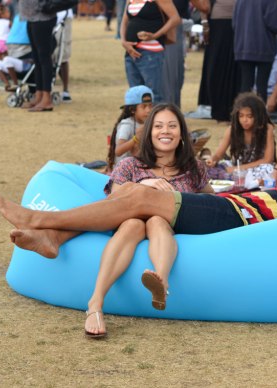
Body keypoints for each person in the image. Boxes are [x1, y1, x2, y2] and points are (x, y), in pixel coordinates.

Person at [0, 133, 277, 273]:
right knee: (134, 196)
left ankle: (41, 220)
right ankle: (55, 238)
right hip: (235, 206)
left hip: (238, 217)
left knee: (141, 194)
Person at [84, 104, 213, 338]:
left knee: (156, 221)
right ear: (149, 132)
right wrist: (142, 186)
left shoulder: (194, 169)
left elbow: (210, 200)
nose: (166, 131)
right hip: (129, 225)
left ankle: (160, 282)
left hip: (167, 227)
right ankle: (95, 304)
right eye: (159, 126)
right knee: (133, 225)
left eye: (172, 126)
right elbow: (111, 200)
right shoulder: (130, 165)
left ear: (182, 133)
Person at [121, 0, 181, 103]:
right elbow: (124, 22)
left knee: (153, 95)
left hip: (151, 52)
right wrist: (123, 41)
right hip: (131, 52)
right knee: (135, 94)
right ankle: (140, 119)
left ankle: (155, 119)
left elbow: (175, 18)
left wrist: (155, 35)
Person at [206, 93, 275, 174]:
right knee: (216, 167)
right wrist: (213, 160)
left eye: (249, 116)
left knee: (268, 168)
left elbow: (268, 159)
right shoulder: (233, 129)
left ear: (258, 116)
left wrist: (237, 169)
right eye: (241, 116)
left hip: (258, 167)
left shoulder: (267, 129)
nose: (244, 120)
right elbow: (218, 154)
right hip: (237, 166)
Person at [160, 0, 210, 107]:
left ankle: (170, 110)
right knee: (171, 76)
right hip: (170, 27)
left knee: (173, 75)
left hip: (169, 25)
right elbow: (204, 6)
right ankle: (169, 111)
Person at [232, 0, 277, 102]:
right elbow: (275, 25)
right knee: (262, 86)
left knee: (245, 84)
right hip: (264, 46)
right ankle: (260, 115)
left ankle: (243, 112)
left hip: (243, 46)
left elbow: (234, 24)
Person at [19, 0, 57, 112]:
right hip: (32, 18)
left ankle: (46, 99)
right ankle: (39, 95)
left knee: (44, 59)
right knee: (37, 59)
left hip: (42, 17)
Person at [107, 85, 154, 171]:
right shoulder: (127, 125)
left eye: (150, 105)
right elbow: (118, 151)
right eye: (144, 106)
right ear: (132, 109)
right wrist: (135, 139)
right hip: (123, 171)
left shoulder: (150, 123)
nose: (148, 110)